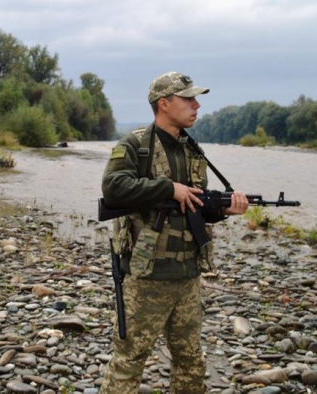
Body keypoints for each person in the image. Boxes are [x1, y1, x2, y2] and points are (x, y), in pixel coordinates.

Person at [99, 72, 249, 393]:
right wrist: (169, 188)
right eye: (188, 99)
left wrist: (223, 209)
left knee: (190, 359)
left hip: (187, 275)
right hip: (147, 276)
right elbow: (113, 189)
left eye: (196, 99)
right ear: (164, 104)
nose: (197, 105)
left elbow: (196, 207)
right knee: (130, 359)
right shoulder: (134, 145)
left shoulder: (192, 151)